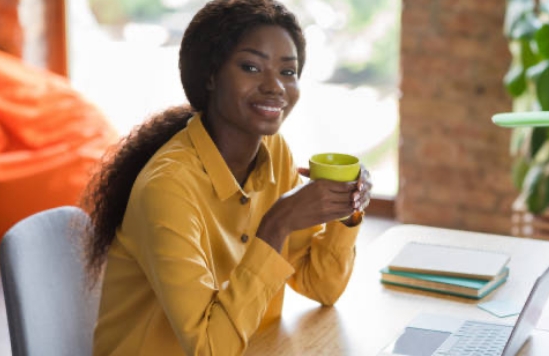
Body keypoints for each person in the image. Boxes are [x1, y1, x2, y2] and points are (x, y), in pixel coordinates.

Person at [81, 0, 373, 355]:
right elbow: (208, 348)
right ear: (210, 74)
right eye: (251, 67)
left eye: (288, 72)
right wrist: (277, 223)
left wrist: (347, 211)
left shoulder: (274, 154)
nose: (275, 87)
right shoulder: (168, 187)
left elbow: (322, 287)